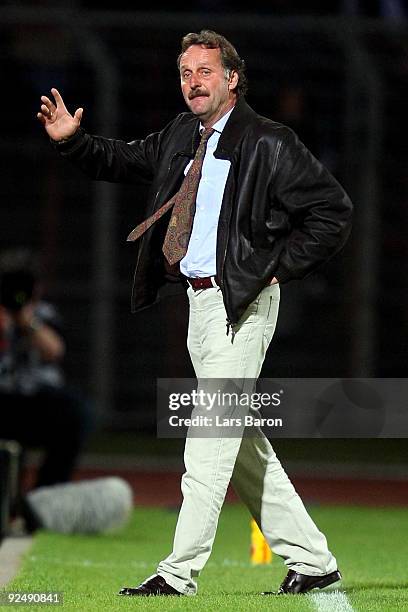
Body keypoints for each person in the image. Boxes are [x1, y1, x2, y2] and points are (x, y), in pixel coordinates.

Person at [37, 30, 353, 596]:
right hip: (199, 304)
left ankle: (177, 572)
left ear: (233, 79)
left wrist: (277, 268)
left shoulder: (268, 141)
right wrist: (73, 141)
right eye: (185, 72)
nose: (193, 82)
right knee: (241, 442)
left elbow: (333, 211)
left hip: (241, 304)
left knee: (209, 436)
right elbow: (122, 159)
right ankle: (313, 559)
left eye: (205, 71)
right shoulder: (184, 134)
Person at [0, 249, 94, 504]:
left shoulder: (43, 313)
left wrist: (25, 320)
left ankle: (45, 497)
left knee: (75, 412)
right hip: (3, 399)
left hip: (37, 402)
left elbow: (54, 350)